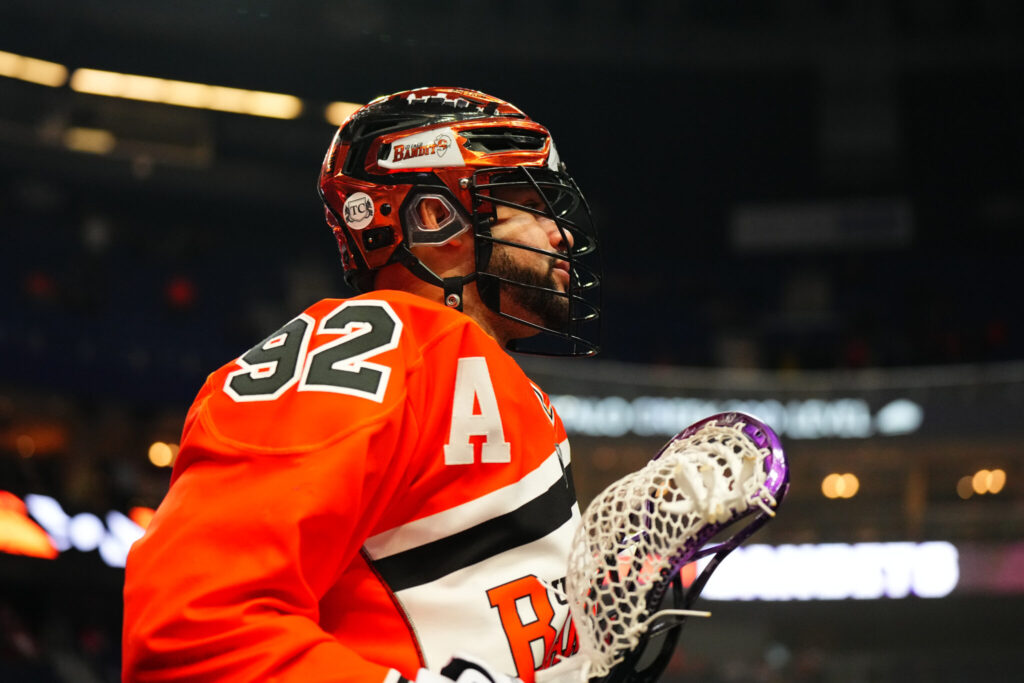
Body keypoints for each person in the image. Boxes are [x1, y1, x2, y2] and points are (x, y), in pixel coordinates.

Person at [122, 87, 601, 683]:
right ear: (435, 216)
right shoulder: (372, 345)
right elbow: (193, 630)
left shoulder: (489, 377)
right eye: (531, 205)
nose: (564, 236)